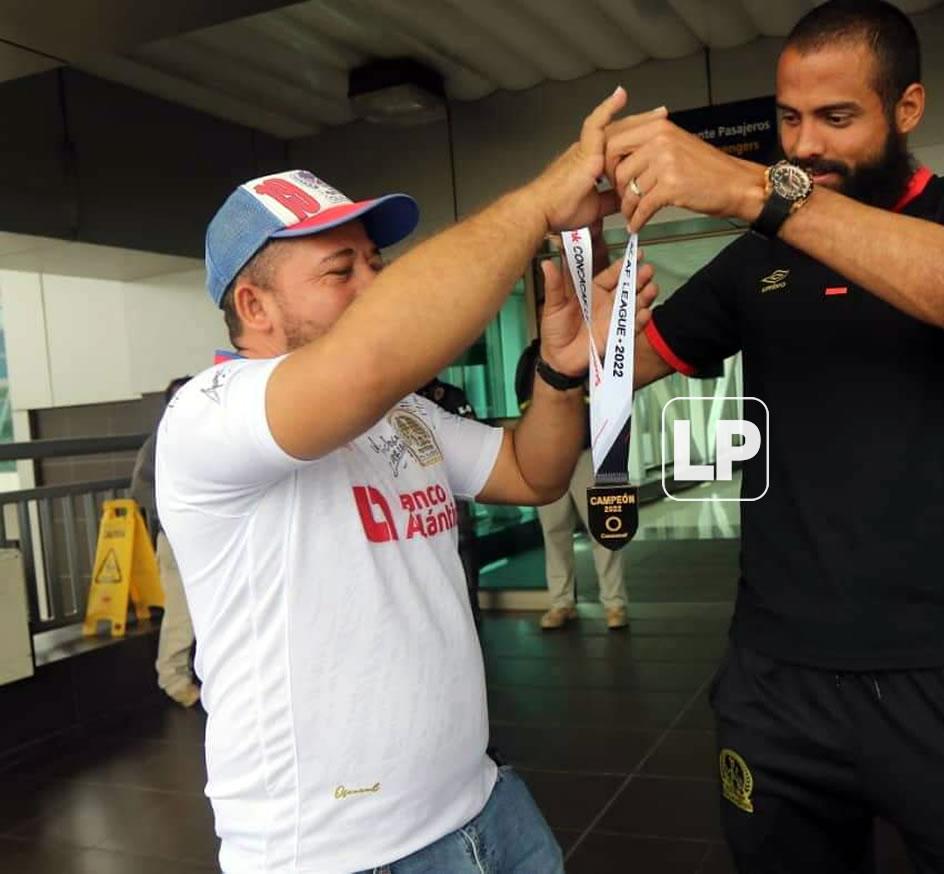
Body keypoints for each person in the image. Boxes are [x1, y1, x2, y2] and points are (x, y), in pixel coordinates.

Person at [607, 2, 944, 871]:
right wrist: (576, 343)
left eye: (836, 117)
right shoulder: (755, 263)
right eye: (788, 119)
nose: (805, 145)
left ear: (908, 107)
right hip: (776, 680)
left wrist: (754, 190)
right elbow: (616, 368)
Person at [155, 89, 658, 874]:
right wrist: (535, 204)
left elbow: (532, 471)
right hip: (339, 858)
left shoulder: (397, 415)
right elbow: (370, 357)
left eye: (374, 263)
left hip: (482, 804)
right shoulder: (208, 415)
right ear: (253, 306)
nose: (373, 283)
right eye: (339, 269)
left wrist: (561, 370)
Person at [514, 222, 629, 632]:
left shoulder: (592, 354)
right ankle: (562, 602)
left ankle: (614, 603)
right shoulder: (530, 360)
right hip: (548, 464)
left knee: (605, 530)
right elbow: (526, 411)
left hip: (588, 457)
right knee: (555, 533)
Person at [130, 376, 198, 707]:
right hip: (176, 538)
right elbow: (140, 490)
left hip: (206, 537)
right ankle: (174, 680)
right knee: (182, 613)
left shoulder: (203, 435)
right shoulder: (161, 441)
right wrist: (177, 512)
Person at [415, 376, 482, 623]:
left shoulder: (451, 394)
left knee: (463, 541)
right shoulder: (399, 394)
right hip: (413, 485)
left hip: (452, 481)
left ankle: (471, 606)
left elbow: (471, 432)